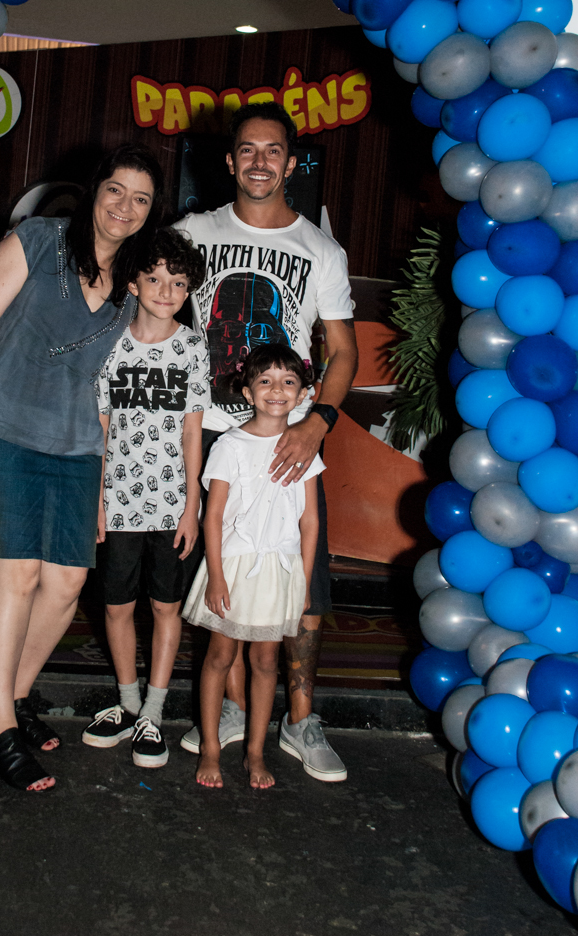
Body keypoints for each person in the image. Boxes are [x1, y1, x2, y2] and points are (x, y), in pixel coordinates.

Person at [0, 143, 164, 793]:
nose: (124, 207)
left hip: (78, 445)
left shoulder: (136, 282)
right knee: (17, 575)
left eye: (141, 199)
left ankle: (9, 700)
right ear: (95, 190)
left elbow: (125, 377)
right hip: (6, 428)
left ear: (151, 212)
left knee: (66, 584)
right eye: (116, 190)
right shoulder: (38, 240)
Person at [174, 101, 358, 782]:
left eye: (272, 150)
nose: (259, 161)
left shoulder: (320, 250)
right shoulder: (192, 233)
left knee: (301, 584)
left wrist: (318, 422)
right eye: (247, 150)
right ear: (229, 161)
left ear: (291, 161)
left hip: (289, 439)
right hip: (209, 435)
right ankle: (228, 710)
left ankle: (299, 719)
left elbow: (342, 351)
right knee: (216, 579)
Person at [82, 229, 209, 768]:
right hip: (116, 501)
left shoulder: (192, 347)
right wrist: (96, 501)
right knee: (116, 606)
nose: (166, 291)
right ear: (133, 283)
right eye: (154, 279)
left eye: (178, 283)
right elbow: (100, 428)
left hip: (171, 502)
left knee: (165, 606)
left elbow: (193, 432)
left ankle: (154, 712)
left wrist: (191, 506)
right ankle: (128, 703)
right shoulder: (110, 341)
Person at [184, 344, 322, 789]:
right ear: (247, 392)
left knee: (265, 661)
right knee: (220, 656)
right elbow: (213, 517)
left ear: (303, 394)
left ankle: (255, 752)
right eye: (265, 381)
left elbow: (310, 522)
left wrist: (303, 581)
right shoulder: (230, 445)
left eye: (288, 382)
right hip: (234, 567)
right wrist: (216, 576)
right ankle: (210, 748)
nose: (276, 390)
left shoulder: (305, 449)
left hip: (280, 569)